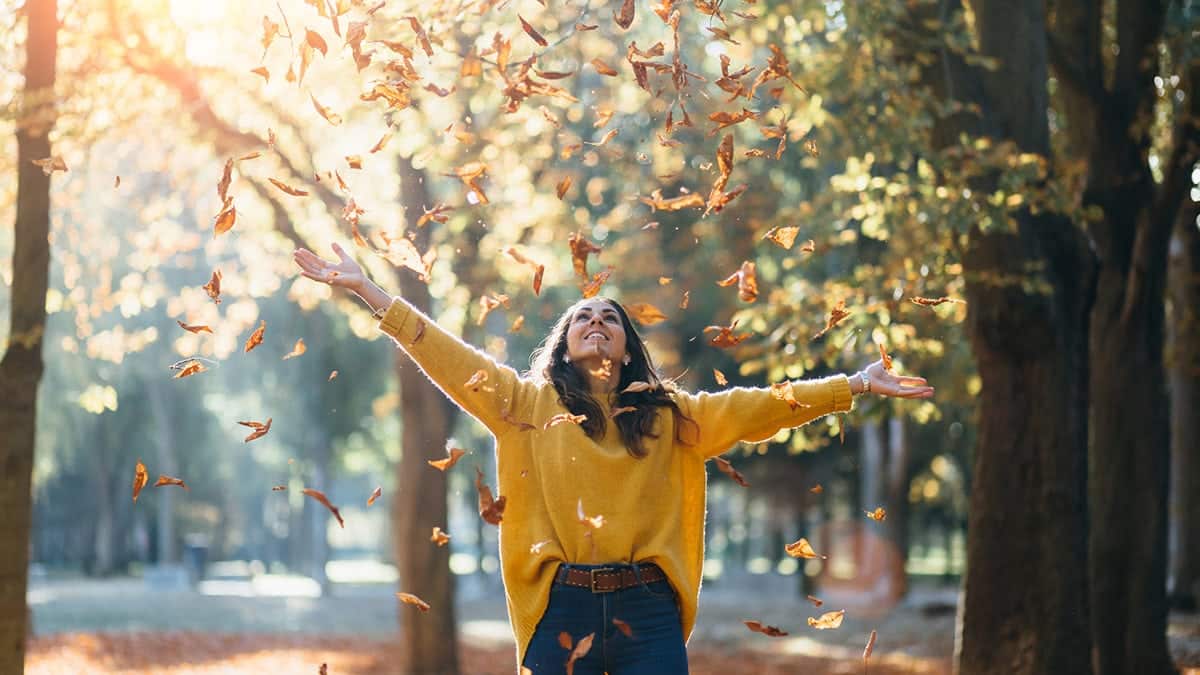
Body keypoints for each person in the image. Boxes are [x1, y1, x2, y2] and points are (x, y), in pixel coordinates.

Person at [293, 243, 934, 674]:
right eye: (582, 317)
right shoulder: (523, 404)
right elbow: (448, 356)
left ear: (626, 346)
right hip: (559, 607)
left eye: (610, 318)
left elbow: (760, 405)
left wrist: (851, 385)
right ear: (565, 344)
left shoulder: (670, 415)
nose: (595, 321)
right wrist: (370, 292)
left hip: (647, 610)